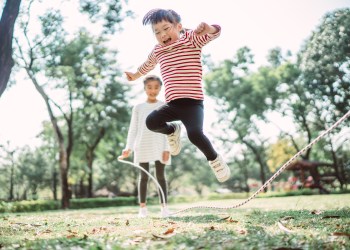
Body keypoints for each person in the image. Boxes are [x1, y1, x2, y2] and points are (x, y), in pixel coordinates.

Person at [125, 8, 230, 182]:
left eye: (166, 29)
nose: (162, 34)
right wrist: (135, 75)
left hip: (193, 103)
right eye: (157, 32)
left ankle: (215, 159)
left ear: (178, 26)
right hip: (173, 104)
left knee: (195, 134)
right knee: (151, 122)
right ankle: (172, 130)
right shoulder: (158, 50)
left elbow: (215, 33)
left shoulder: (190, 39)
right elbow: (148, 64)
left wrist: (208, 29)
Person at [119, 75, 171, 218]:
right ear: (144, 88)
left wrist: (167, 148)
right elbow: (133, 129)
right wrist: (128, 146)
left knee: (160, 176)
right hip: (142, 144)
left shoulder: (164, 106)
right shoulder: (138, 107)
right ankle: (142, 209)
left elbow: (168, 128)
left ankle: (164, 208)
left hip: (160, 144)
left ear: (160, 88)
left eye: (156, 87)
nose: (153, 90)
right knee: (144, 177)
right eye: (149, 87)